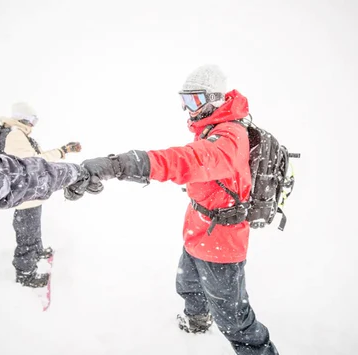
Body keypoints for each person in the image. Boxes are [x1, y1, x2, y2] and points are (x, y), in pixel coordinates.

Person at [64, 65, 279, 355]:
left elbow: (188, 160)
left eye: (193, 100)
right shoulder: (212, 128)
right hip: (199, 228)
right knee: (189, 284)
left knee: (234, 321)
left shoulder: (229, 136)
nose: (186, 109)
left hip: (222, 242)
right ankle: (196, 321)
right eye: (184, 100)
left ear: (214, 98)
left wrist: (119, 164)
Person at [0, 102, 82, 288]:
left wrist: (64, 150)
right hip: (25, 192)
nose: (34, 124)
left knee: (30, 225)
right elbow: (36, 162)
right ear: (23, 118)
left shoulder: (17, 133)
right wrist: (63, 152)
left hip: (27, 191)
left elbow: (36, 158)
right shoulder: (16, 135)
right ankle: (25, 274)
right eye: (32, 119)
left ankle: (37, 251)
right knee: (27, 232)